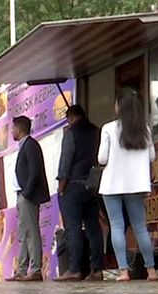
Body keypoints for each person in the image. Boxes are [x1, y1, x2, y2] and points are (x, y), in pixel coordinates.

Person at [98, 93, 158, 282]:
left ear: (119, 107)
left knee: (117, 225)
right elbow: (151, 157)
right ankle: (152, 271)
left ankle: (123, 272)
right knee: (140, 228)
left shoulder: (108, 128)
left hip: (112, 184)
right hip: (136, 184)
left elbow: (102, 159)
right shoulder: (144, 130)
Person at [56, 105, 104, 282]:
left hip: (73, 185)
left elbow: (65, 161)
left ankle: (74, 269)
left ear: (70, 118)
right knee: (94, 228)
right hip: (92, 185)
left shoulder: (71, 133)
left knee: (73, 228)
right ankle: (97, 269)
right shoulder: (96, 132)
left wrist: (61, 187)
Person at [7, 115, 50, 282]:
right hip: (22, 194)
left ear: (19, 128)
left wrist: (27, 193)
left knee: (31, 232)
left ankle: (35, 269)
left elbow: (34, 172)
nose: (11, 131)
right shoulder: (24, 146)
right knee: (24, 232)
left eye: (13, 128)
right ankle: (22, 268)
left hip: (27, 195)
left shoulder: (31, 146)